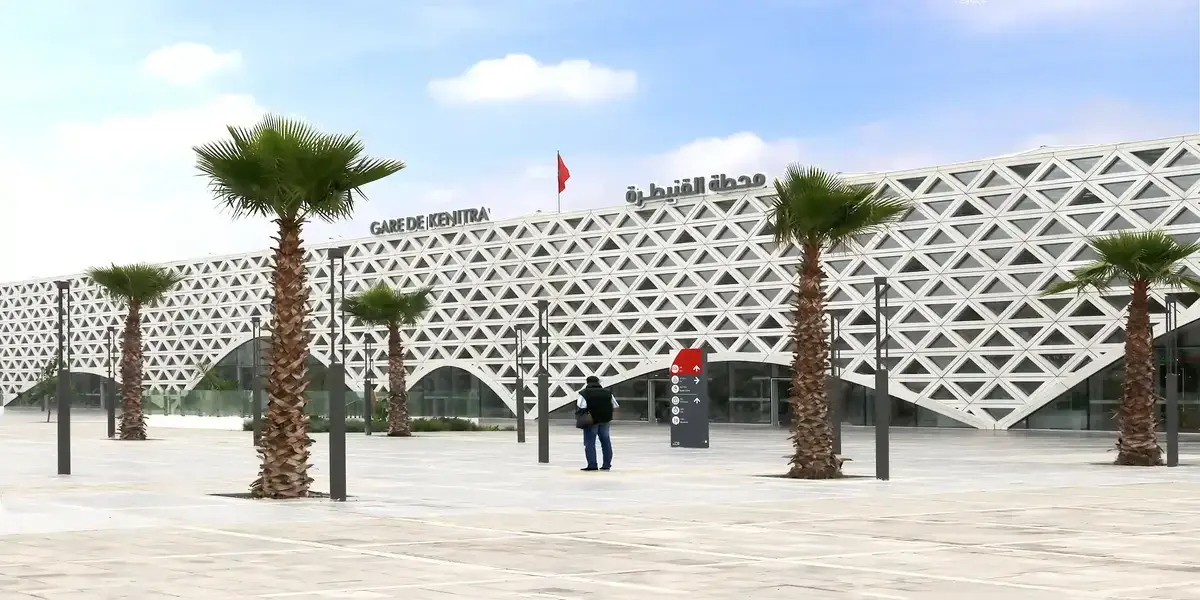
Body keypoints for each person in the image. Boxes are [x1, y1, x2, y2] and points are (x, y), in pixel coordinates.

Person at [576, 375, 618, 471]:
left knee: (590, 443)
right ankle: (606, 464)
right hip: (605, 419)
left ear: (587, 382)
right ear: (598, 382)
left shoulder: (584, 393)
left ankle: (592, 465)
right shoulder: (608, 393)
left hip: (591, 420)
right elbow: (615, 405)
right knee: (606, 442)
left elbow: (581, 406)